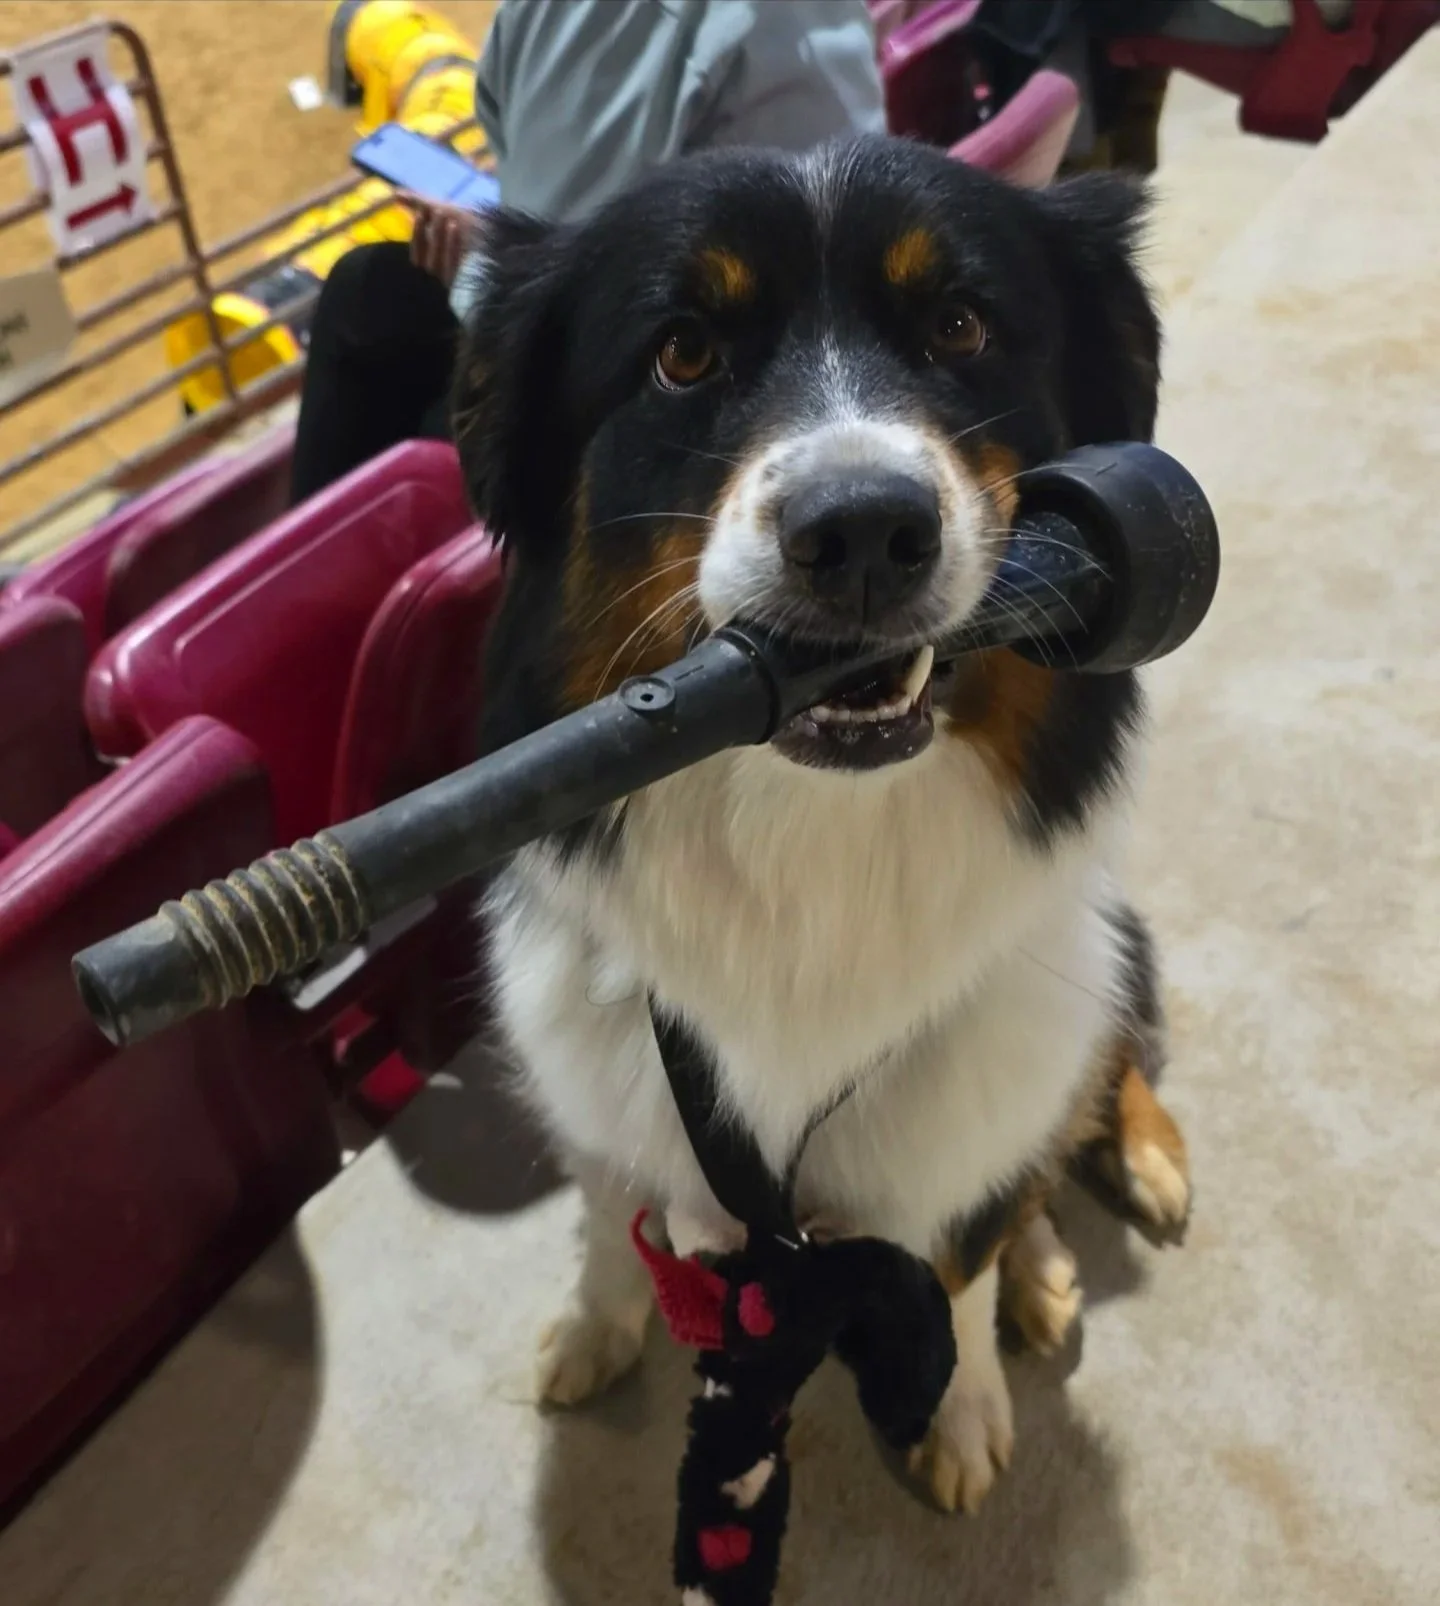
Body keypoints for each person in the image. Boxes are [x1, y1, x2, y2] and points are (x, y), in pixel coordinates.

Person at [289, 0, 886, 505]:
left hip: (712, 416)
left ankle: (304, 597)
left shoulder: (603, 15)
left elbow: (549, 323)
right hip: (831, 334)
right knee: (375, 291)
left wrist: (472, 263)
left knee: (365, 300)